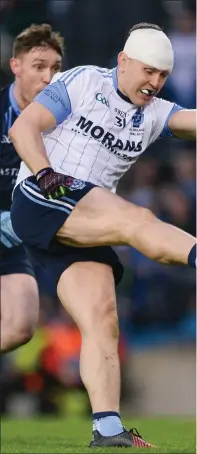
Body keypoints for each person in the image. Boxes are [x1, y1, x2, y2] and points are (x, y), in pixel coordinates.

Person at [10, 23, 196, 447]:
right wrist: (45, 173)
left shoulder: (154, 113)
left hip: (82, 225)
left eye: (163, 75)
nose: (156, 82)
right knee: (138, 221)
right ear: (124, 61)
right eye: (149, 71)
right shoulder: (83, 82)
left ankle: (108, 430)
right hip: (45, 195)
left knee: (102, 321)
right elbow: (24, 128)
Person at [0, 23, 63, 353]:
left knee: (20, 327)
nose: (48, 77)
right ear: (16, 66)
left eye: (55, 68)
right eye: (39, 67)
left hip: (12, 236)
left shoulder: (62, 126)